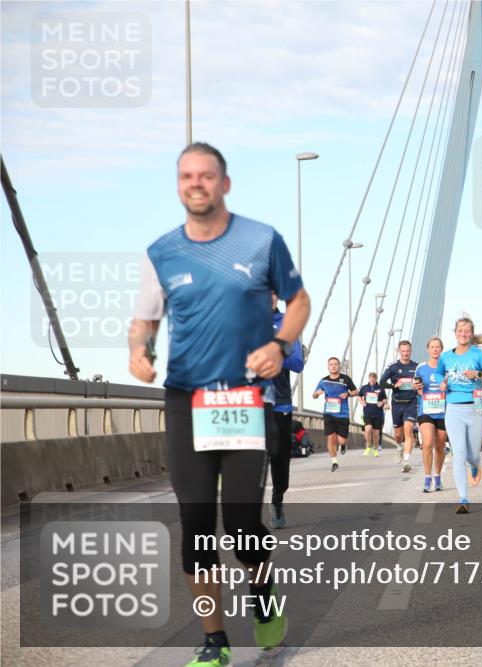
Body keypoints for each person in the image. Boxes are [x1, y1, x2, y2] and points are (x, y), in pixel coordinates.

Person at [129, 142, 310, 666]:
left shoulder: (262, 241)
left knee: (242, 522)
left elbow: (297, 301)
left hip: (241, 398)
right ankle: (215, 641)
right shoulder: (160, 252)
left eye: (207, 175)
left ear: (224, 184)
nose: (196, 183)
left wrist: (279, 345)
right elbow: (145, 318)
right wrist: (138, 350)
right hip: (186, 400)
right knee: (196, 521)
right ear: (179, 185)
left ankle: (262, 594)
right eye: (187, 175)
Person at [440, 317, 482, 513]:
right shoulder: (446, 356)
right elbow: (439, 375)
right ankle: (463, 498)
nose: (463, 333)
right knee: (459, 453)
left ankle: (475, 465)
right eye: (460, 330)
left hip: (475, 406)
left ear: (471, 334)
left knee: (473, 454)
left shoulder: (478, 355)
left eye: (467, 331)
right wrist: (442, 383)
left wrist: (478, 375)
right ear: (455, 332)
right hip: (453, 409)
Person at [268, 292, 304, 529]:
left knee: (280, 457)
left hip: (279, 402)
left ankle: (277, 499)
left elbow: (297, 363)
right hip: (248, 401)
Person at [413, 337, 449, 492]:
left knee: (440, 446)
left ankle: (438, 477)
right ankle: (427, 478)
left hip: (443, 411)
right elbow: (416, 387)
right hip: (426, 411)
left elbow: (453, 387)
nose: (435, 349)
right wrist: (417, 388)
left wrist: (446, 386)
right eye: (432, 347)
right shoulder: (421, 368)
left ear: (441, 349)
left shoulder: (447, 367)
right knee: (427, 443)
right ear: (428, 349)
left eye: (438, 347)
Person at [380, 341, 419, 473]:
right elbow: (381, 383)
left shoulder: (416, 367)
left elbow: (422, 384)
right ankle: (399, 447)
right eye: (403, 351)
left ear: (411, 350)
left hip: (411, 402)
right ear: (399, 351)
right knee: (398, 434)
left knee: (408, 430)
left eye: (407, 351)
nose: (405, 353)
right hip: (397, 403)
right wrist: (393, 385)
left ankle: (406, 461)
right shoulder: (393, 367)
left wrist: (417, 386)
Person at [312, 357, 357, 471]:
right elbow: (314, 394)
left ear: (339, 366)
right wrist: (316, 394)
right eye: (331, 364)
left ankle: (342, 445)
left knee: (341, 440)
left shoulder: (346, 379)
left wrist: (348, 394)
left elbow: (356, 391)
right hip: (329, 414)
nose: (333, 366)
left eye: (335, 364)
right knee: (331, 438)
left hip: (343, 414)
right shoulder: (323, 381)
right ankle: (334, 462)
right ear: (328, 367)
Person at [358, 372, 387, 456]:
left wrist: (382, 403)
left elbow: (385, 399)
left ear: (376, 379)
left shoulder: (380, 388)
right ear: (369, 378)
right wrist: (361, 402)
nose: (372, 380)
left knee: (376, 433)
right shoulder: (364, 388)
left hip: (378, 413)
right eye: (371, 379)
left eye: (374, 379)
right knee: (368, 429)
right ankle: (368, 446)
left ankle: (375, 449)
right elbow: (359, 396)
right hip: (367, 412)